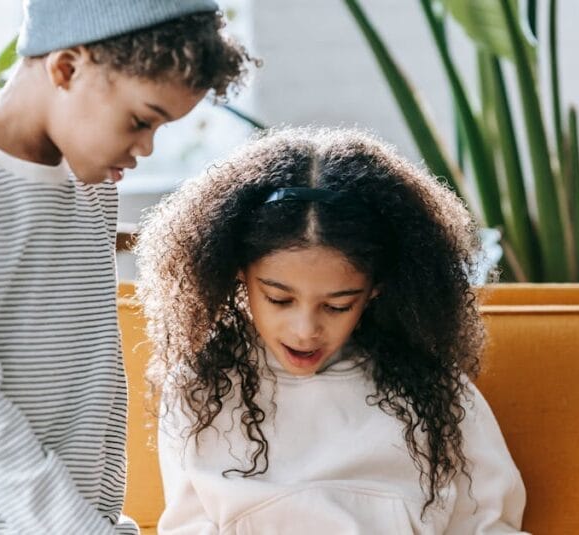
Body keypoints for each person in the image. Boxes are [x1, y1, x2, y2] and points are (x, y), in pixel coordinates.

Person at [0, 1, 257, 533]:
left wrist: (103, 513)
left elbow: (91, 371)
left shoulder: (91, 186)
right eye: (139, 120)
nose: (145, 148)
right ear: (66, 68)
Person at [135, 127, 527, 534]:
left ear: (376, 289)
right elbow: (187, 527)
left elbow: (489, 524)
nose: (306, 331)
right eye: (279, 299)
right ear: (239, 274)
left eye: (338, 305)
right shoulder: (201, 388)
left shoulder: (434, 389)